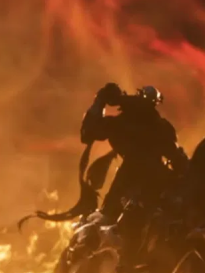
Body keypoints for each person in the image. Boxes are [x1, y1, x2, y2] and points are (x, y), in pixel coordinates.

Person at [80, 83, 189, 272]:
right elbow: (177, 158)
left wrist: (100, 102)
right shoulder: (154, 127)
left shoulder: (130, 124)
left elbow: (89, 131)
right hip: (141, 185)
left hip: (143, 185)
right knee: (113, 224)